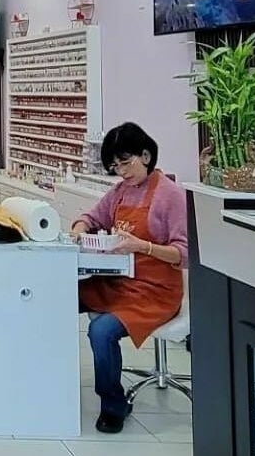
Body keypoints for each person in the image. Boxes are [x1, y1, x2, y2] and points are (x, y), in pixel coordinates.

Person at [70, 122, 188, 434]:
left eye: (126, 162)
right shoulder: (120, 192)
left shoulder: (170, 196)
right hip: (119, 282)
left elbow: (184, 254)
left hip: (155, 291)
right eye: (115, 165)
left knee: (101, 331)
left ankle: (113, 404)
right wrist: (80, 230)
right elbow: (92, 217)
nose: (121, 171)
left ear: (146, 155)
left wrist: (144, 246)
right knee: (56, 296)